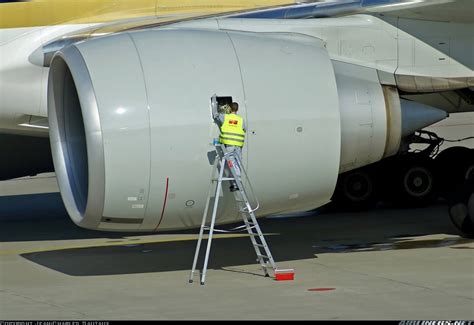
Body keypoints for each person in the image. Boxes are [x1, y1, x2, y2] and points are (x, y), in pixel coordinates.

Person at [213, 101, 246, 192]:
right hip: (238, 145)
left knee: (231, 163)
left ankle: (236, 184)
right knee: (237, 163)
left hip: (229, 144)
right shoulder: (241, 119)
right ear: (237, 109)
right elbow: (244, 128)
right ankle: (237, 182)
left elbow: (216, 115)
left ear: (230, 108)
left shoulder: (225, 117)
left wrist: (219, 108)